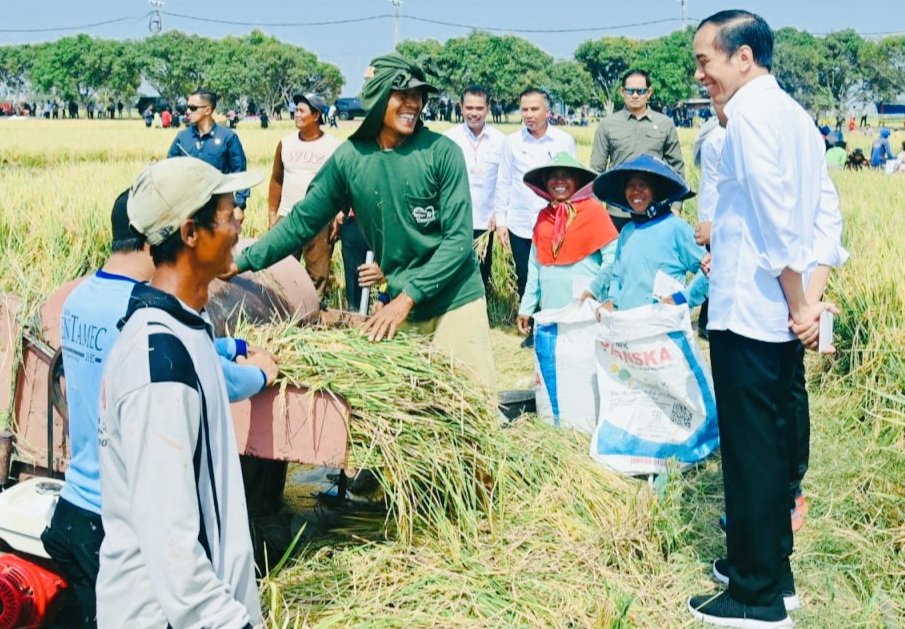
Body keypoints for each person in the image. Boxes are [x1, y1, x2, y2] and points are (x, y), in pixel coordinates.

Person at [41, 190, 276, 628]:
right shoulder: (148, 335)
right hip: (115, 519)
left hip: (75, 499)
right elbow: (203, 378)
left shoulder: (79, 300)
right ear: (163, 236)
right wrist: (261, 371)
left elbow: (191, 350)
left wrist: (225, 345)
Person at [689, 11, 842, 627]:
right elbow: (825, 219)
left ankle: (754, 596)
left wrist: (799, 301)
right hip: (780, 313)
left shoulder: (750, 117)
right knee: (775, 445)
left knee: (751, 451)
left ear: (743, 57)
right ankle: (772, 571)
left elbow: (778, 224)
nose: (701, 74)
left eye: (706, 61)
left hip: (751, 310)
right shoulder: (798, 120)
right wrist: (805, 302)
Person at [226, 53, 496, 389]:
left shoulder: (441, 153)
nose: (413, 103)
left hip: (454, 298)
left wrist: (407, 297)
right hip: (402, 302)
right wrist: (240, 263)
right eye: (402, 94)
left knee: (468, 402)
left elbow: (457, 241)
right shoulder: (350, 159)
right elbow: (302, 222)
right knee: (416, 407)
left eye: (418, 96)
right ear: (378, 96)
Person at [96, 157, 266, 628]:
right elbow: (172, 546)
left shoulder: (187, 327)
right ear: (191, 233)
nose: (239, 225)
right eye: (230, 215)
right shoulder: (160, 364)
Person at [494, 87, 577, 348]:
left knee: (554, 276)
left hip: (555, 223)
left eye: (534, 109)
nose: (529, 115)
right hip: (521, 223)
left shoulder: (563, 141)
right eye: (525, 110)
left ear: (547, 111)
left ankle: (556, 326)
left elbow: (574, 182)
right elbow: (504, 182)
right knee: (525, 275)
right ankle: (532, 327)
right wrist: (501, 220)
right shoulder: (512, 143)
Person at [588, 154, 706, 313]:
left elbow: (709, 269)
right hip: (628, 329)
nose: (636, 191)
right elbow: (617, 277)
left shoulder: (676, 228)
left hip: (664, 331)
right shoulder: (627, 231)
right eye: (630, 185)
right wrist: (611, 300)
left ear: (656, 190)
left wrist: (683, 298)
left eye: (643, 185)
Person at [515, 153, 618, 335]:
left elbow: (613, 260)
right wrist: (526, 307)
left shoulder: (594, 212)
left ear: (577, 181)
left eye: (566, 176)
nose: (559, 181)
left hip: (585, 310)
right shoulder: (543, 218)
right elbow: (535, 266)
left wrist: (595, 289)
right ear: (546, 182)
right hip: (550, 309)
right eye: (553, 176)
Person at [268, 93, 343, 299]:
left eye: (302, 111)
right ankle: (282, 313)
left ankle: (312, 314)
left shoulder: (333, 146)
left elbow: (341, 185)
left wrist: (337, 215)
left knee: (317, 275)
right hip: (288, 217)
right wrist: (272, 214)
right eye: (296, 110)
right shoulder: (286, 143)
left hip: (319, 219)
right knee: (280, 271)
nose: (296, 114)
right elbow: (276, 180)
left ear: (316, 115)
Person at [590, 69, 685, 231]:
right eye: (630, 91)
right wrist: (594, 211)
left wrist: (676, 206)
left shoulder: (665, 124)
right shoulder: (608, 125)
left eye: (640, 91)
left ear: (649, 93)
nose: (635, 95)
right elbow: (596, 171)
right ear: (622, 92)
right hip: (617, 213)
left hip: (655, 210)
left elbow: (677, 168)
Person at [443, 85, 505, 289]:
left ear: (488, 108)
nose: (474, 113)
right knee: (452, 273)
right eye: (469, 108)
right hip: (455, 219)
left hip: (485, 221)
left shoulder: (501, 141)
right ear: (461, 108)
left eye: (479, 108)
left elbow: (505, 181)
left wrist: (499, 213)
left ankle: (479, 312)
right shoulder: (449, 139)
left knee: (480, 273)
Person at [167, 89, 250, 216]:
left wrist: (239, 206)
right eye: (187, 107)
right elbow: (169, 170)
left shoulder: (228, 137)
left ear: (207, 110)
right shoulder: (182, 138)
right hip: (187, 208)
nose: (188, 111)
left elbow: (241, 173)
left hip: (219, 208)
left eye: (193, 108)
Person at [692, 104, 728, 339]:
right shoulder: (722, 137)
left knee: (716, 270)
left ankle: (709, 322)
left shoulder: (714, 134)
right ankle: (710, 323)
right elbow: (718, 190)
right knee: (719, 271)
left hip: (712, 215)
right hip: (718, 218)